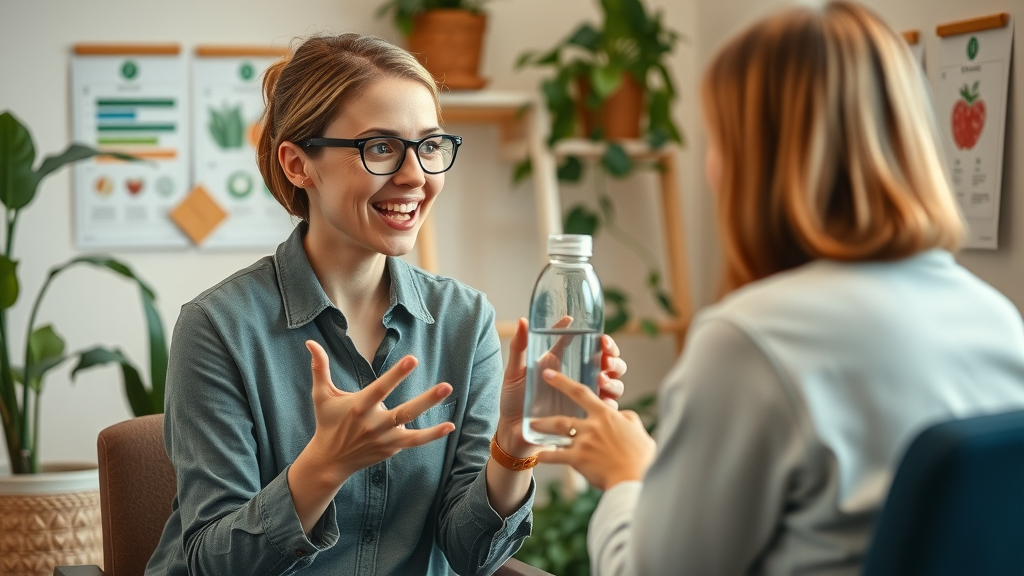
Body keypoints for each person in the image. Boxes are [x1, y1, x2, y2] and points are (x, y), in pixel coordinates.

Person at [528, 2, 1024, 575]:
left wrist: (627, 476)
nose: (711, 169)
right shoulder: (998, 321)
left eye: (717, 141)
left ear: (755, 159)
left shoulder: (752, 341)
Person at [144, 33, 627, 576]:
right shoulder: (218, 327)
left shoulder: (464, 322)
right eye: (379, 147)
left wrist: (512, 445)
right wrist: (324, 466)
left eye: (430, 145)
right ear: (299, 164)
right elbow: (212, 563)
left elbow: (473, 556)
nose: (415, 175)